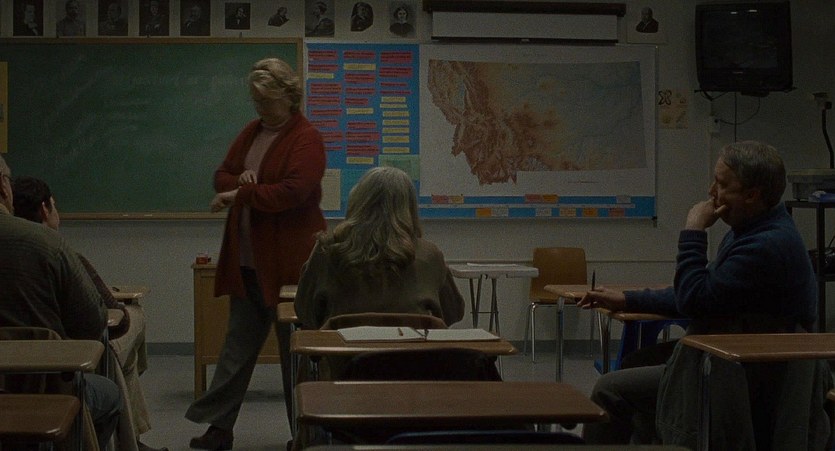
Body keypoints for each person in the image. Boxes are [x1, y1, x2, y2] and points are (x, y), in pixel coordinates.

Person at [578, 141, 832, 449]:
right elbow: (706, 293)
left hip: (749, 377)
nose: (712, 192)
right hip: (730, 361)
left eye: (722, 184)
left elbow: (694, 299)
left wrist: (693, 231)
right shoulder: (752, 230)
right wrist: (630, 299)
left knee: (610, 390)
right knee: (636, 365)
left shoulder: (767, 245)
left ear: (752, 195)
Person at [185, 57, 327, 451]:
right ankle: (219, 429)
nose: (260, 108)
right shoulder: (251, 132)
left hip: (290, 268)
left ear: (288, 96)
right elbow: (222, 176)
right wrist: (240, 182)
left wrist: (242, 193)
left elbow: (293, 192)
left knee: (295, 354)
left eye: (266, 100)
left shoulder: (307, 138)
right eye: (256, 101)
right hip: (248, 262)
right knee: (235, 349)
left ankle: (304, 433)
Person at [12, 176, 169, 451]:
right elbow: (98, 321)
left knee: (115, 355)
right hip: (54, 375)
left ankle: (132, 440)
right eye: (55, 205)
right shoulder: (57, 250)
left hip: (11, 376)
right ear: (45, 209)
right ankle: (130, 440)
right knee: (125, 332)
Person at [0, 155, 121, 451]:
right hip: (43, 389)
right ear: (3, 188)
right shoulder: (47, 244)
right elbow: (92, 323)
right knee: (108, 393)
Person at [295, 166, 465, 330]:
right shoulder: (429, 255)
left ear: (357, 201)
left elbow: (305, 311)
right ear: (410, 208)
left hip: (342, 349)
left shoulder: (328, 250)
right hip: (410, 349)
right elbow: (453, 313)